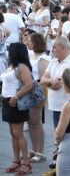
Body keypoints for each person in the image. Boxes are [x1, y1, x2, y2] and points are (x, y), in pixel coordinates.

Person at [1, 43, 33, 174]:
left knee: (18, 133)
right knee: (12, 133)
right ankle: (16, 160)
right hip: (7, 101)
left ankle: (26, 163)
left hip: (16, 102)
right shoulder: (11, 66)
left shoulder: (22, 67)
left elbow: (28, 85)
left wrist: (15, 97)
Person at [40, 36, 70, 128]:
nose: (51, 50)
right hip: (57, 106)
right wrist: (51, 80)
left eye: (54, 47)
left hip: (66, 106)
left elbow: (58, 85)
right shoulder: (54, 61)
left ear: (63, 47)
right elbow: (42, 80)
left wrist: (49, 82)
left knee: (63, 137)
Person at [27, 33, 50, 163]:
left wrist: (36, 95)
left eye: (30, 41)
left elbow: (43, 79)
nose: (27, 43)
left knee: (37, 123)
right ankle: (34, 149)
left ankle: (40, 151)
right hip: (30, 91)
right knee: (30, 122)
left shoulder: (42, 58)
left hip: (37, 92)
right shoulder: (33, 56)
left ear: (36, 43)